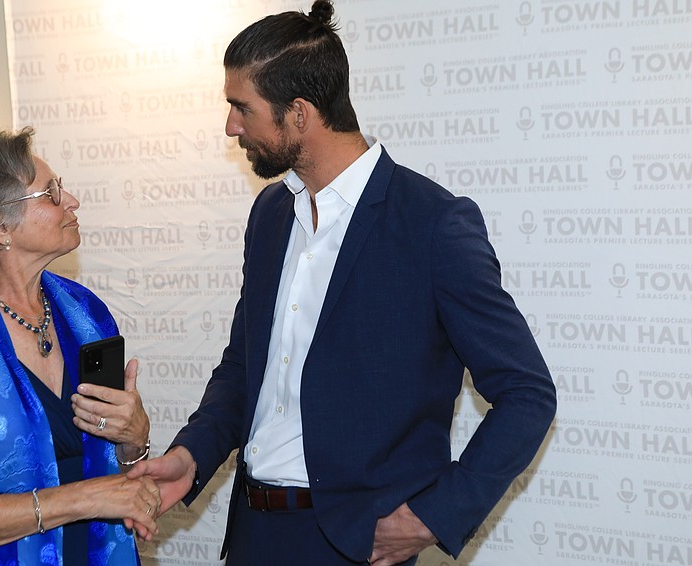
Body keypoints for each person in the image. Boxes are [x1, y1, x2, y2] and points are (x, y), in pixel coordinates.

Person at [129, 2, 558, 565]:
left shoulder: (432, 224)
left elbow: (527, 393)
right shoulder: (269, 215)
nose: (231, 125)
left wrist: (435, 514)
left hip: (357, 546)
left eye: (242, 108)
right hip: (254, 536)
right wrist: (193, 454)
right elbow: (245, 366)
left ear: (299, 114)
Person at [0, 127, 160, 565]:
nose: (71, 200)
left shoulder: (85, 313)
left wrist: (136, 440)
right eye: (51, 193)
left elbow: (122, 472)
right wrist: (84, 499)